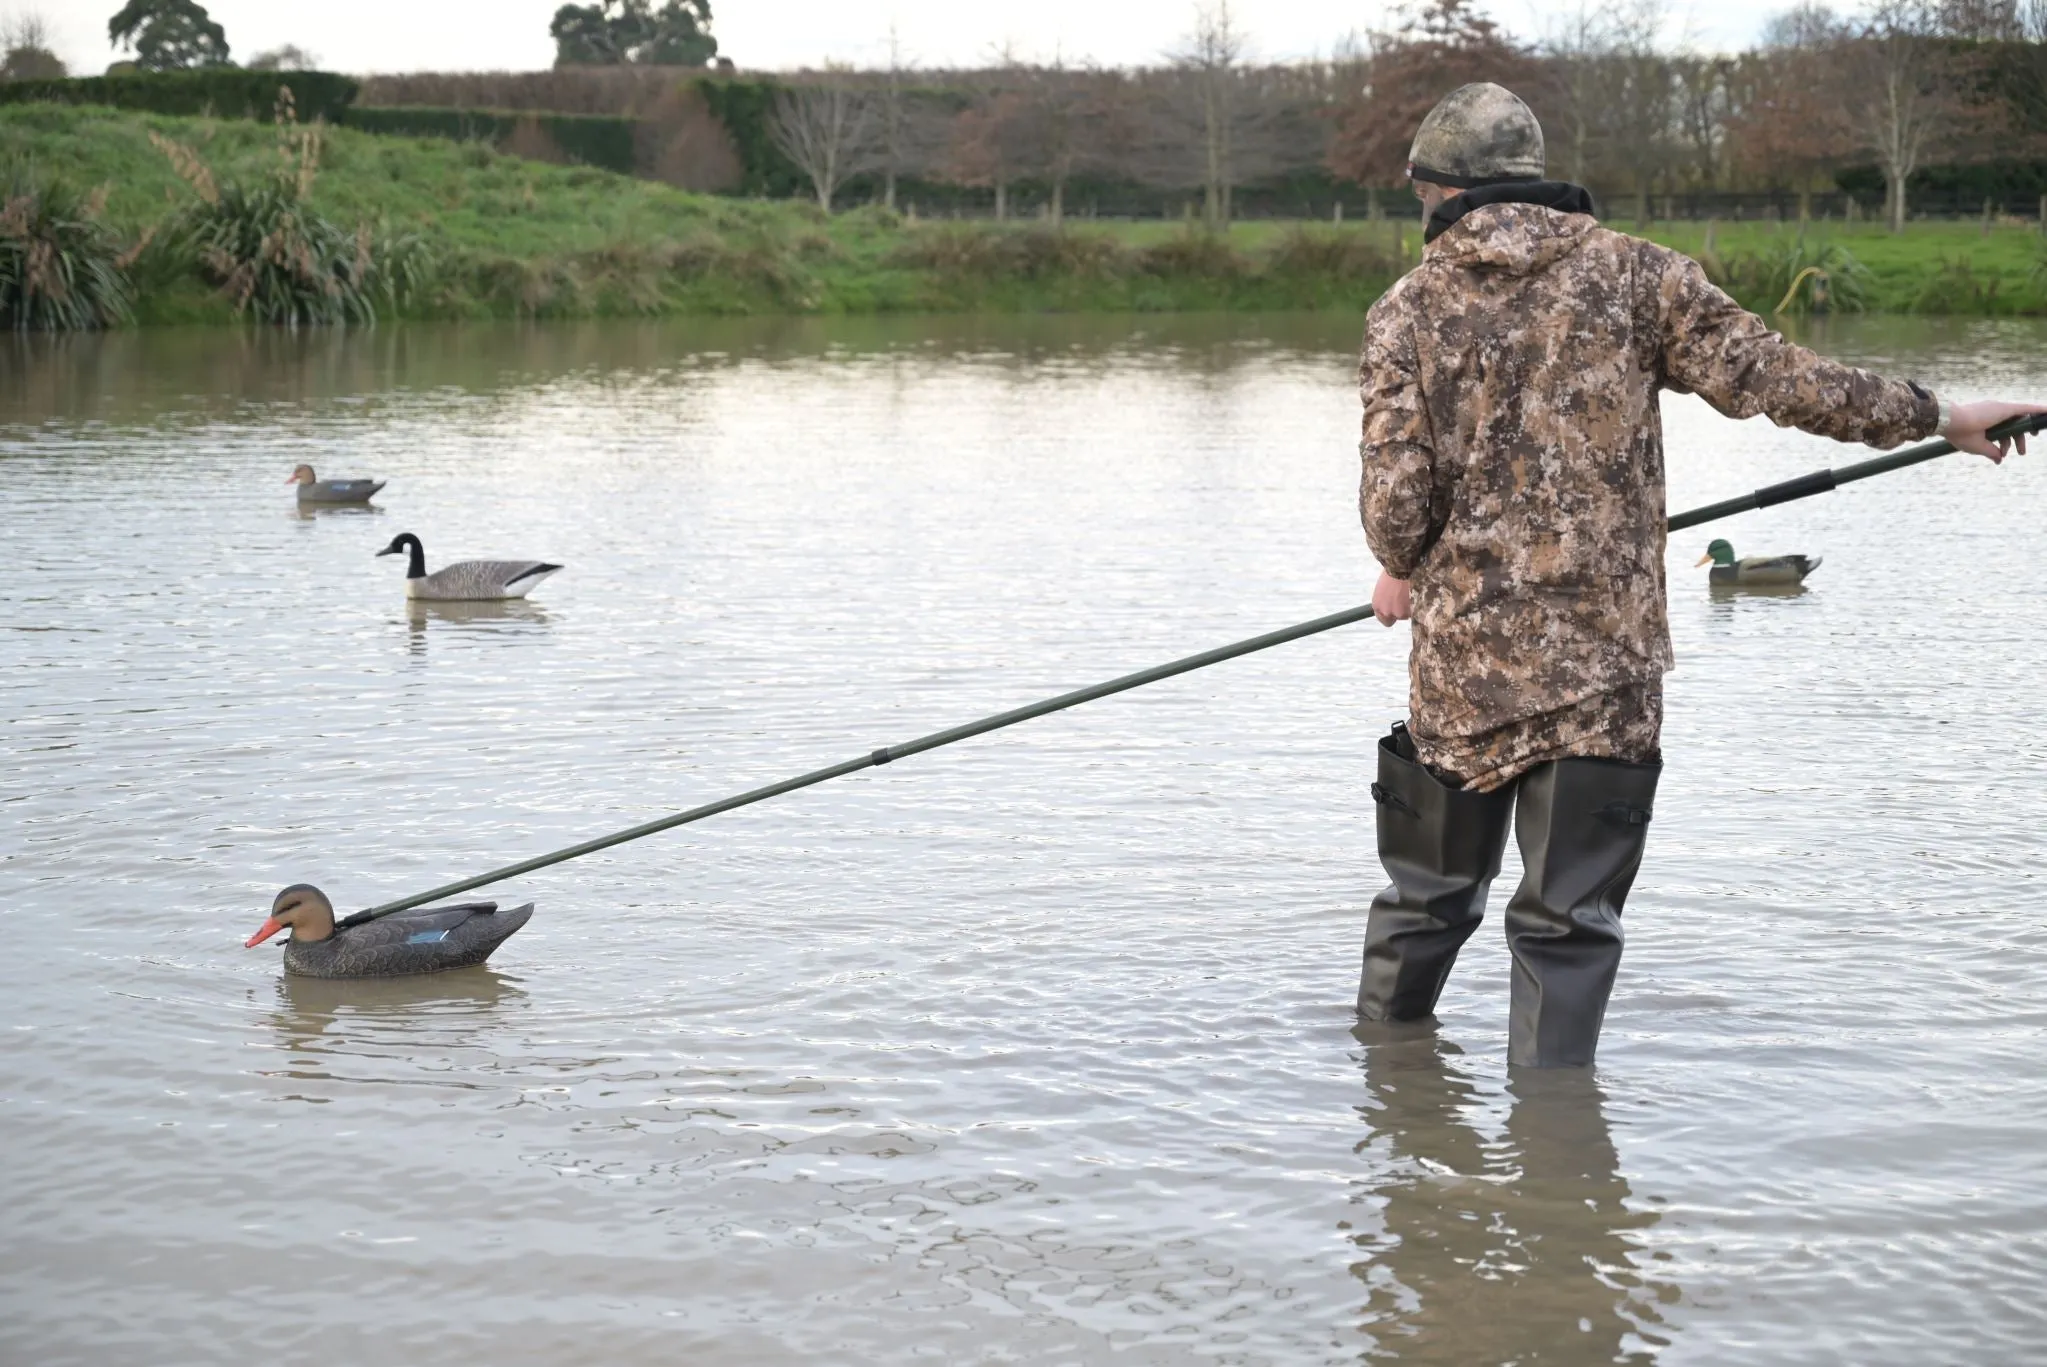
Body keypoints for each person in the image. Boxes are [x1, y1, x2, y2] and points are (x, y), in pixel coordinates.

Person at [1354, 82, 2043, 1068]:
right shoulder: (1642, 277)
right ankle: (1563, 1169)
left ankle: (1386, 1101)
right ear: (1541, 183)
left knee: (1425, 901)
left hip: (1463, 679)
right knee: (1568, 929)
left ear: (1432, 188)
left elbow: (1395, 509)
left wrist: (1398, 563)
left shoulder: (1403, 312)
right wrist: (1938, 413)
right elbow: (1785, 379)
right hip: (1608, 677)